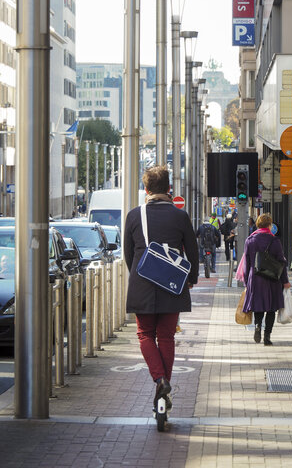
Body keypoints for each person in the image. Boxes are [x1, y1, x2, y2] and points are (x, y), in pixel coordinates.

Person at [124, 166, 199, 411]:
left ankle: (160, 380)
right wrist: (192, 278)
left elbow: (128, 254)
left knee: (145, 334)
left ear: (146, 189)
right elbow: (192, 251)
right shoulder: (180, 216)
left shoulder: (134, 216)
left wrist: (139, 275)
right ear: (169, 188)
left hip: (142, 282)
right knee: (166, 336)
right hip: (172, 284)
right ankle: (164, 387)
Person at [243, 213, 290, 345]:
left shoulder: (250, 240)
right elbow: (282, 263)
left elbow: (246, 263)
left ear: (258, 224)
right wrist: (285, 281)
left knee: (258, 307)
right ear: (269, 225)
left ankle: (258, 326)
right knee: (271, 309)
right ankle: (267, 337)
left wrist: (247, 281)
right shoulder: (274, 241)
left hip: (255, 279)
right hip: (272, 278)